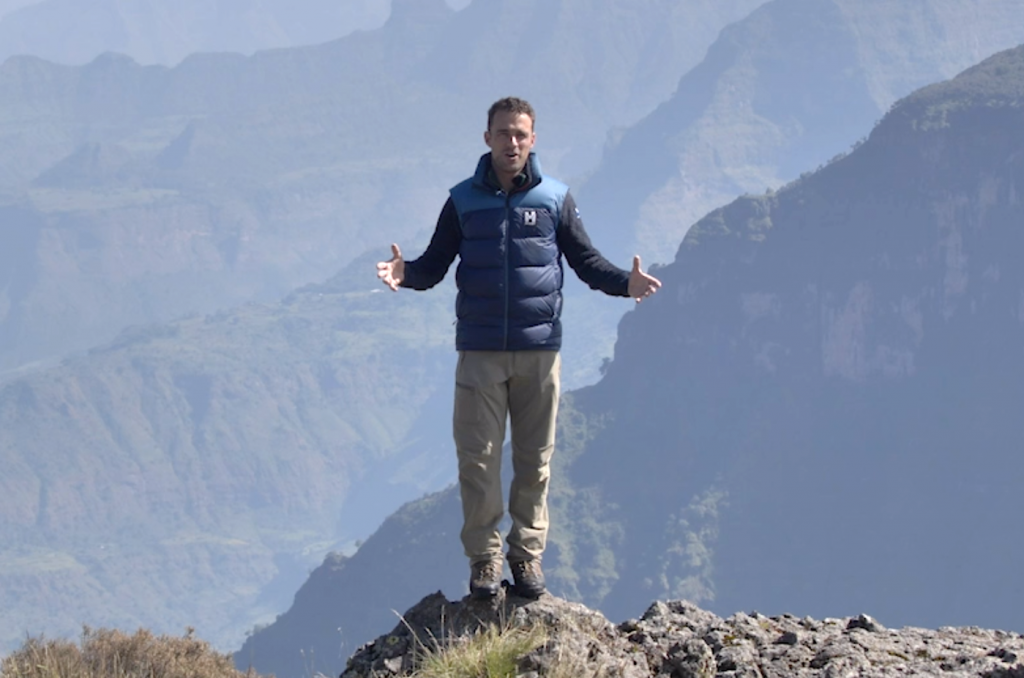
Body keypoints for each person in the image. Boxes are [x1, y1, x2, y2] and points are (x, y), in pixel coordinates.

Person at [376, 96, 660, 600]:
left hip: (539, 350)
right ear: (487, 138)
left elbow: (587, 262)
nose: (512, 142)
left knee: (535, 460)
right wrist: (405, 273)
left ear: (533, 140)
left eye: (520, 134)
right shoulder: (462, 201)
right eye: (504, 133)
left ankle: (526, 557)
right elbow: (434, 266)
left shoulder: (554, 199)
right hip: (480, 352)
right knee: (477, 460)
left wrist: (626, 284)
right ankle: (485, 561)